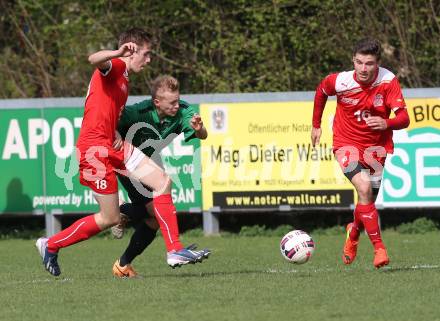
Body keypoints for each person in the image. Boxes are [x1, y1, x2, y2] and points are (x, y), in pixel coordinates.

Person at [36, 29, 206, 277]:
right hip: (93, 149)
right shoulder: (116, 65)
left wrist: (114, 130)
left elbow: (107, 110)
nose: (149, 60)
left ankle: (174, 250)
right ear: (132, 49)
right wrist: (117, 52)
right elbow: (94, 59)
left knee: (162, 181)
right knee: (109, 218)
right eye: (146, 54)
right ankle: (50, 245)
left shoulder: (124, 79)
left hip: (113, 145)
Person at [311, 38, 410, 269]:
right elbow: (321, 91)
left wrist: (386, 123)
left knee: (368, 201)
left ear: (378, 63)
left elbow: (404, 119)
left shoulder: (388, 81)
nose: (363, 69)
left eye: (369, 64)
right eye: (359, 62)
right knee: (364, 188)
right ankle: (379, 249)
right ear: (353, 60)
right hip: (346, 144)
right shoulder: (341, 81)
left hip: (376, 149)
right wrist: (316, 125)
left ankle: (353, 232)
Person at [110, 75, 210, 278]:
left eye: (177, 99)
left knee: (154, 219)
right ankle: (118, 215)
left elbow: (203, 135)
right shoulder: (137, 112)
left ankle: (122, 259)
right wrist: (115, 133)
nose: (176, 105)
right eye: (171, 102)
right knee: (155, 208)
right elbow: (108, 121)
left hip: (148, 163)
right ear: (157, 102)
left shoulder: (183, 110)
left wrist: (200, 130)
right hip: (127, 162)